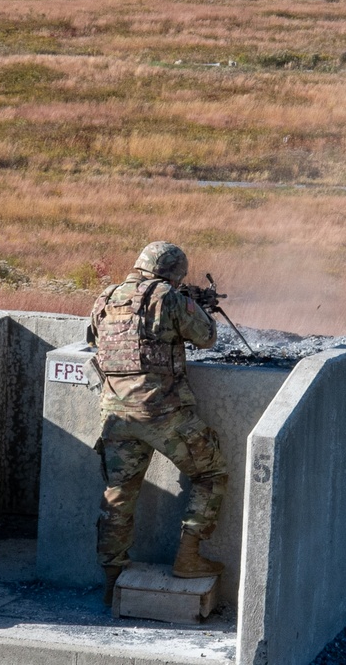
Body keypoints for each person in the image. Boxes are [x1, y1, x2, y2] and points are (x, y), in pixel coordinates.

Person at [89, 241, 228, 605]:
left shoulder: (106, 297)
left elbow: (96, 341)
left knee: (118, 497)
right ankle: (188, 557)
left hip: (114, 415)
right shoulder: (168, 297)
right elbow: (208, 338)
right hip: (162, 412)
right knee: (210, 474)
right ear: (173, 272)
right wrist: (195, 306)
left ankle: (111, 580)